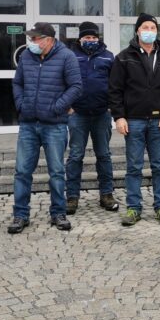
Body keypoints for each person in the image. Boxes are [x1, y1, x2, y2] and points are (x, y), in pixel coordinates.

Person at [109, 13, 160, 227]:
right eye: (145, 27)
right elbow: (114, 90)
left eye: (152, 27)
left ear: (157, 31)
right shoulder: (123, 58)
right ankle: (133, 208)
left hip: (159, 121)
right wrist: (119, 116)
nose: (149, 31)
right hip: (134, 121)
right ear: (137, 31)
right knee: (134, 167)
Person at [8, 23, 83, 234]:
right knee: (22, 172)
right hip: (29, 124)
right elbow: (18, 83)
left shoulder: (66, 56)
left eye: (35, 39)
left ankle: (58, 213)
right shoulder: (26, 57)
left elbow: (76, 86)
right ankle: (20, 215)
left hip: (55, 125)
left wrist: (57, 108)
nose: (31, 43)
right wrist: (21, 104)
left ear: (48, 39)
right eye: (30, 39)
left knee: (57, 172)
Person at [64, 22, 118, 215]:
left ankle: (106, 194)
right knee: (76, 156)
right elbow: (63, 81)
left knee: (104, 155)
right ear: (80, 38)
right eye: (87, 38)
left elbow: (115, 84)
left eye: (94, 38)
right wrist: (67, 106)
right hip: (77, 114)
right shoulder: (70, 56)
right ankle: (72, 197)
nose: (91, 41)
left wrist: (113, 107)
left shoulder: (108, 56)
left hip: (102, 114)